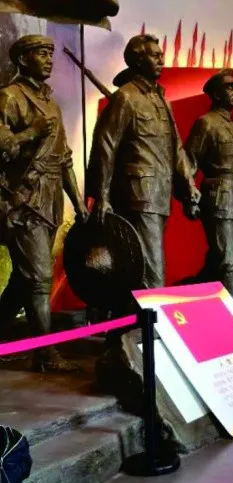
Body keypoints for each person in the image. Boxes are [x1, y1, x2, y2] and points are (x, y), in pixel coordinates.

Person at [0, 35, 89, 372]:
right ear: (23, 59)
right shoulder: (10, 97)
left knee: (24, 280)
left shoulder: (51, 103)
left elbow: (64, 159)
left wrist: (78, 203)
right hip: (22, 200)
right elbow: (2, 147)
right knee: (38, 277)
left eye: (51, 54)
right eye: (41, 53)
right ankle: (45, 354)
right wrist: (31, 132)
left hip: (49, 198)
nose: (49, 59)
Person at [87, 34, 200, 291]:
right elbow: (105, 146)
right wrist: (101, 195)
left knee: (139, 266)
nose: (162, 60)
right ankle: (148, 316)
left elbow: (176, 147)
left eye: (161, 55)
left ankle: (130, 314)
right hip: (137, 195)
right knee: (152, 272)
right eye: (155, 56)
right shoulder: (126, 98)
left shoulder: (162, 100)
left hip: (159, 195)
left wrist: (188, 185)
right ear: (138, 61)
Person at [185, 69, 233, 296]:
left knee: (219, 259)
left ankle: (195, 294)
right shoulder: (206, 123)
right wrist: (189, 196)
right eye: (229, 88)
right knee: (229, 263)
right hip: (219, 197)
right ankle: (231, 311)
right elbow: (189, 161)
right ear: (217, 94)